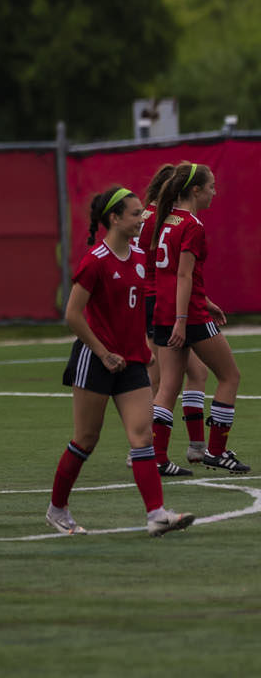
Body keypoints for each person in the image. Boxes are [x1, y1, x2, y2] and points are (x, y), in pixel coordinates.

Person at [46, 185, 194, 537]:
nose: (142, 218)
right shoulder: (95, 261)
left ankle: (157, 515)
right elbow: (73, 315)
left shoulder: (140, 258)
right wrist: (102, 352)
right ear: (114, 218)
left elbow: (135, 309)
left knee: (142, 438)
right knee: (86, 439)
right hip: (95, 360)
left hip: (131, 362)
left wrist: (145, 347)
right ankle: (57, 509)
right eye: (134, 213)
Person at [147, 162, 248, 473]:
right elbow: (183, 275)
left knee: (168, 387)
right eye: (210, 187)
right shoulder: (192, 224)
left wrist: (199, 303)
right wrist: (183, 317)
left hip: (165, 311)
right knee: (230, 376)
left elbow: (172, 274)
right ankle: (216, 451)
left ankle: (156, 457)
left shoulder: (167, 220)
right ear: (195, 190)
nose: (214, 193)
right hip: (187, 315)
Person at [137, 163, 186, 474]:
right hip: (157, 299)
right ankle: (144, 450)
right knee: (161, 380)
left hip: (143, 297)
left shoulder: (141, 214)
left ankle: (149, 449)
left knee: (170, 377)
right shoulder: (160, 218)